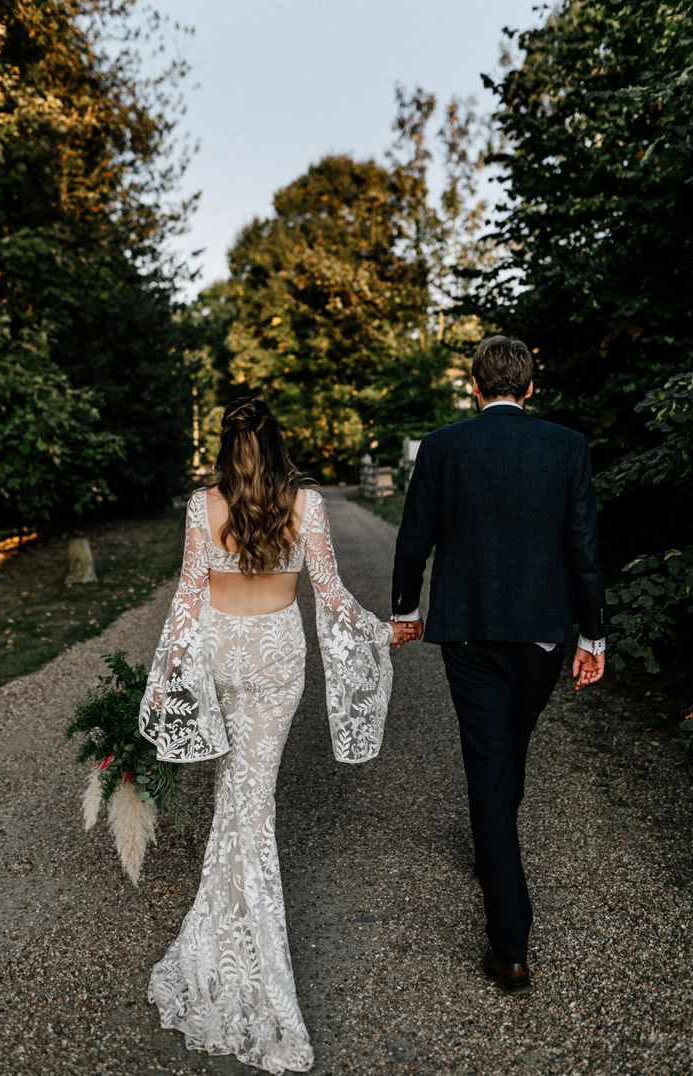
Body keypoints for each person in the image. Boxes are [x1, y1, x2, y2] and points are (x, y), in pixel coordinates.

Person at [138, 397, 414, 1073]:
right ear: (277, 442)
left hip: (221, 650)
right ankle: (244, 956)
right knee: (250, 800)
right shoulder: (306, 504)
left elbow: (187, 597)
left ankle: (223, 943)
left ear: (229, 448)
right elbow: (331, 592)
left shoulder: (202, 506)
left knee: (238, 797)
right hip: (276, 657)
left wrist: (167, 672)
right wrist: (381, 630)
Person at [391, 335, 606, 996]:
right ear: (531, 388)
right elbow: (582, 542)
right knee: (508, 748)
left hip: (471, 632)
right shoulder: (566, 446)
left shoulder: (445, 446)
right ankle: (500, 884)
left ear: (474, 387)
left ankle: (510, 946)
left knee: (492, 760)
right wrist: (594, 637)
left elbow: (416, 531)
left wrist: (404, 606)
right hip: (543, 634)